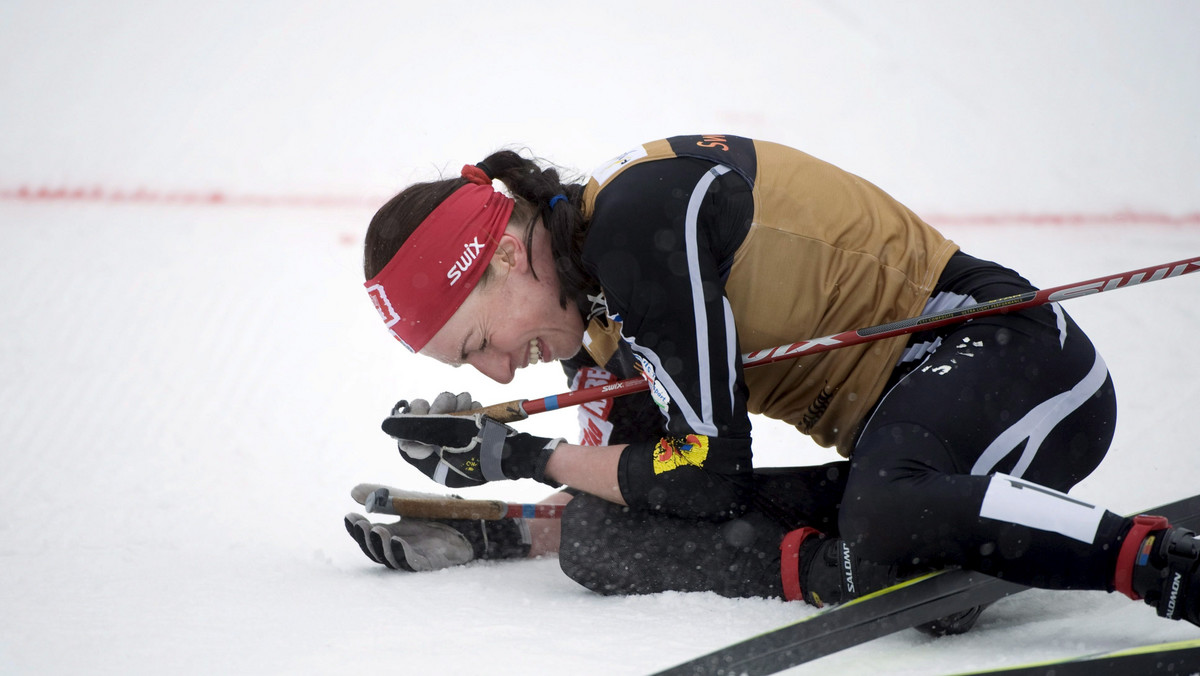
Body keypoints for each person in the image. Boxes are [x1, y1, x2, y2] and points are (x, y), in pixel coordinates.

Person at [345, 134, 1200, 632]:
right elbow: (651, 494)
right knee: (602, 542)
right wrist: (504, 512)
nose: (498, 368)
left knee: (881, 507)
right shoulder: (594, 314)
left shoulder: (637, 226)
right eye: (473, 370)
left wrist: (530, 455)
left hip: (1017, 361)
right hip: (916, 439)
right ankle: (867, 564)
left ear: (498, 260)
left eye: (477, 343)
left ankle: (1163, 567)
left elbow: (706, 471)